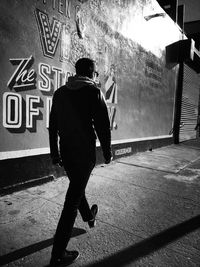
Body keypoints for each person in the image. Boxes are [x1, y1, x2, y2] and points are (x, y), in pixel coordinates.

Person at [48, 57, 112, 266]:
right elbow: (103, 126)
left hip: (66, 152)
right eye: (95, 74)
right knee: (71, 200)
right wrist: (108, 152)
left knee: (77, 186)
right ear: (92, 73)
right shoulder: (94, 92)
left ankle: (88, 216)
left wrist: (54, 153)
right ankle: (58, 254)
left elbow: (53, 126)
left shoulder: (60, 93)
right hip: (85, 155)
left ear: (76, 71)